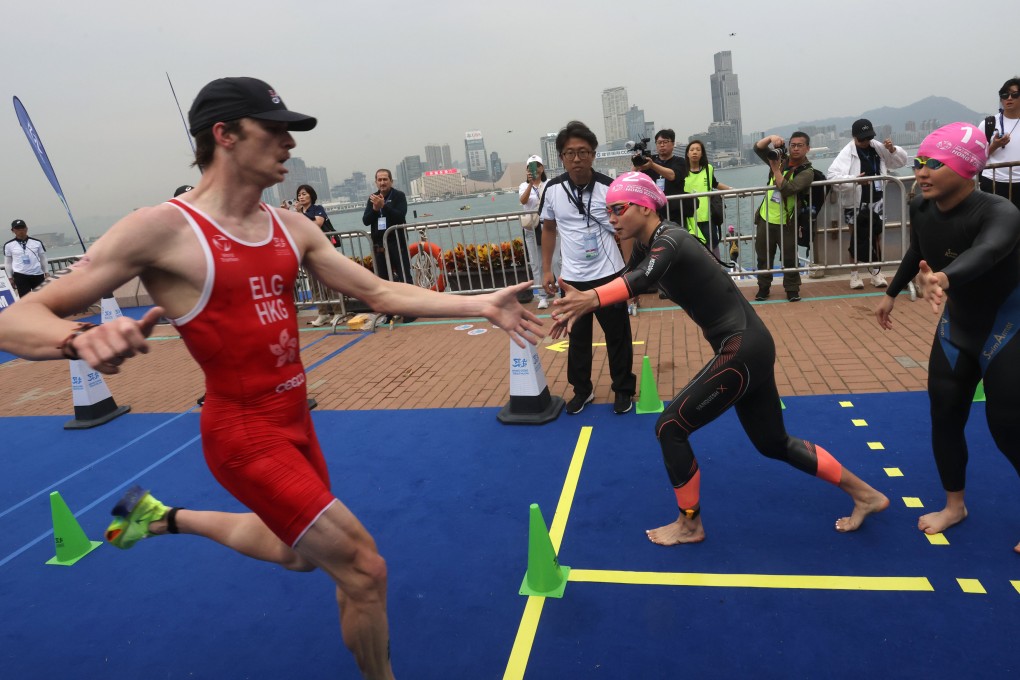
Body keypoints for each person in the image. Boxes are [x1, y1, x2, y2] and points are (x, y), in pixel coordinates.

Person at [0, 76, 543, 680]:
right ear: (225, 135)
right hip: (241, 434)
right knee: (364, 568)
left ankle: (159, 516)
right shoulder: (162, 230)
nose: (289, 143)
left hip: (296, 422)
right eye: (275, 129)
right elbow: (17, 319)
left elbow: (379, 289)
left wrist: (484, 303)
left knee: (299, 555)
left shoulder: (292, 226)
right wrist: (77, 340)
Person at [551, 172, 890, 545]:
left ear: (645, 206)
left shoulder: (671, 239)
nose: (611, 217)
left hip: (742, 347)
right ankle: (866, 494)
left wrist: (590, 298)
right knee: (772, 443)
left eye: (618, 208)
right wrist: (580, 303)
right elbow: (635, 279)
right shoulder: (652, 247)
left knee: (670, 428)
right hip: (750, 346)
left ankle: (690, 524)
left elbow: (636, 280)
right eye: (608, 210)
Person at [874, 122, 1020, 553]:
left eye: (934, 163)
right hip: (957, 330)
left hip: (1006, 329)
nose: (921, 171)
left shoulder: (1000, 213)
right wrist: (891, 293)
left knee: (1008, 428)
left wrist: (942, 278)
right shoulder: (921, 205)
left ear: (967, 168)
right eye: (919, 162)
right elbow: (918, 248)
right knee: (945, 417)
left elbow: (988, 251)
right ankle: (954, 505)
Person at [540, 120, 636, 415]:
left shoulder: (610, 188)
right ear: (561, 158)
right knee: (577, 340)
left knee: (617, 336)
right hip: (572, 281)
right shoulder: (553, 190)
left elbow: (628, 229)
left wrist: (630, 272)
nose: (577, 158)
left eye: (583, 152)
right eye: (570, 153)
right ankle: (582, 390)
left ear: (593, 154)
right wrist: (547, 270)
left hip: (609, 277)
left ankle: (623, 390)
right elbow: (548, 229)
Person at [826, 118, 908, 289]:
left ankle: (876, 273)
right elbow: (832, 176)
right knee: (856, 238)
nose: (865, 142)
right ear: (854, 137)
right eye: (861, 139)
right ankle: (854, 274)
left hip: (876, 199)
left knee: (877, 236)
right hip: (855, 202)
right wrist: (855, 180)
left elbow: (899, 162)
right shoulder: (847, 152)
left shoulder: (877, 147)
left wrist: (893, 150)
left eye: (868, 138)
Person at [752, 132, 815, 302]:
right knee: (763, 256)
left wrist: (775, 169)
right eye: (792, 145)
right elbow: (757, 148)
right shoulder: (781, 160)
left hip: (788, 220)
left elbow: (787, 189)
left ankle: (792, 289)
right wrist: (771, 138)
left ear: (807, 148)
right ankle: (763, 288)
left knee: (789, 257)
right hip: (766, 217)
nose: (795, 148)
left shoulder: (807, 171)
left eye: (799, 145)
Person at [288, 184, 339, 326]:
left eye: (304, 194)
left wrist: (300, 215)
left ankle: (338, 311)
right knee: (313, 284)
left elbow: (317, 224)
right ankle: (322, 313)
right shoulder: (297, 213)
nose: (301, 197)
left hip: (323, 249)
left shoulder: (318, 209)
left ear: (311, 195)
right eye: (299, 195)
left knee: (329, 281)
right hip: (307, 250)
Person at [633, 128, 694, 227]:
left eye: (665, 142)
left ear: (673, 144)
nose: (662, 145)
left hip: (675, 212)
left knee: (676, 238)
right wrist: (637, 163)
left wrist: (652, 165)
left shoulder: (680, 161)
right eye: (659, 142)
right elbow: (633, 177)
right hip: (654, 212)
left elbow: (672, 176)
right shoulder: (649, 161)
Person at [519, 155, 556, 310]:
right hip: (532, 228)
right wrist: (530, 184)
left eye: (537, 165)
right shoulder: (523, 185)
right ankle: (542, 296)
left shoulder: (549, 184)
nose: (535, 169)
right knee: (536, 263)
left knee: (555, 261)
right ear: (527, 170)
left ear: (542, 168)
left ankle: (558, 291)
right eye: (531, 166)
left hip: (549, 226)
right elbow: (523, 201)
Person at [683, 140, 732, 257]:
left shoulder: (708, 169)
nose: (695, 152)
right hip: (689, 219)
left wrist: (732, 190)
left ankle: (715, 270)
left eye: (698, 150)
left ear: (702, 154)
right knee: (692, 249)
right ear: (687, 154)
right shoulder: (682, 171)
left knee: (712, 248)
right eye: (692, 150)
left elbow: (714, 183)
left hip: (707, 217)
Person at [362, 169, 410, 284]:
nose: (382, 183)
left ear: (391, 181)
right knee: (383, 282)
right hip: (379, 247)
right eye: (379, 180)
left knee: (405, 278)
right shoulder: (372, 198)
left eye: (385, 179)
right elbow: (366, 221)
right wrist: (375, 209)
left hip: (397, 244)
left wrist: (384, 206)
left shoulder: (399, 196)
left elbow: (400, 216)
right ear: (376, 182)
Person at [979, 77, 1020, 212]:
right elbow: (977, 157)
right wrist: (994, 146)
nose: (1009, 98)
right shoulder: (988, 124)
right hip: (994, 183)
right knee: (998, 224)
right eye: (1004, 95)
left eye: (1014, 94)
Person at [3, 219, 48, 297]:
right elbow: (8, 262)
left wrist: (46, 272)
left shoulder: (37, 242)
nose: (20, 230)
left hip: (37, 274)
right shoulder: (8, 245)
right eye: (17, 228)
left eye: (22, 227)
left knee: (42, 297)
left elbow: (43, 258)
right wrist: (10, 277)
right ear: (12, 230)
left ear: (26, 228)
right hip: (20, 275)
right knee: (25, 298)